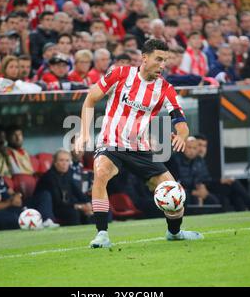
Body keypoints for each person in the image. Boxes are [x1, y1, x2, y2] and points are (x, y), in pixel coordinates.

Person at [75, 39, 204, 248]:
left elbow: (180, 121)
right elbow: (90, 99)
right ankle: (102, 234)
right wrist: (83, 134)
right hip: (111, 143)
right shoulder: (120, 74)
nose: (163, 65)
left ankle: (175, 232)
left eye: (166, 61)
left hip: (141, 148)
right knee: (100, 172)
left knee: (173, 191)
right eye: (159, 59)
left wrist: (181, 135)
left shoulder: (165, 89)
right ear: (144, 58)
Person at [194, 134, 250, 212]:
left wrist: (220, 181)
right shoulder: (193, 159)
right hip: (201, 187)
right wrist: (220, 181)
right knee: (233, 183)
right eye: (199, 145)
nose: (202, 149)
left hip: (207, 185)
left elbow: (205, 179)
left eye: (204, 146)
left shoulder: (200, 160)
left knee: (232, 187)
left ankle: (242, 211)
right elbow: (199, 180)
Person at [0, 149, 59, 228]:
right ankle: (32, 222)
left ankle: (47, 220)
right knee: (14, 217)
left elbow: (11, 192)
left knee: (44, 195)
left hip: (15, 205)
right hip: (4, 210)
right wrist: (10, 203)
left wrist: (17, 195)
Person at [34, 149, 93, 226]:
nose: (64, 164)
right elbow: (58, 202)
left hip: (66, 205)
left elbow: (77, 192)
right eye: (61, 160)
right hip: (53, 208)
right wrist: (79, 207)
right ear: (55, 162)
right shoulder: (49, 177)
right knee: (73, 214)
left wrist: (88, 204)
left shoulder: (68, 174)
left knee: (100, 210)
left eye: (67, 161)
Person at [167, 137, 223, 209]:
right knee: (193, 199)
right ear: (183, 147)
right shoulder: (174, 160)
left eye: (194, 148)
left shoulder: (198, 160)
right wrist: (194, 192)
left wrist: (201, 186)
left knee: (214, 201)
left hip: (196, 190)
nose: (192, 151)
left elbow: (202, 178)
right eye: (189, 147)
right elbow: (175, 183)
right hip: (181, 192)